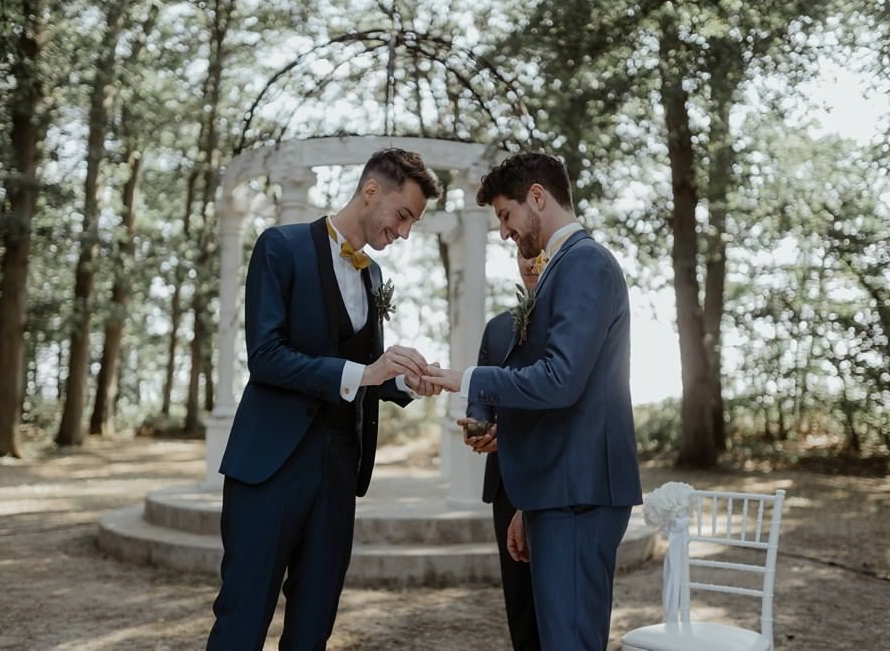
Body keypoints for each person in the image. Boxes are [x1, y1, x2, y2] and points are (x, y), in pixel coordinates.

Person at [207, 148, 443, 650]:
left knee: (313, 627)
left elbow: (365, 374)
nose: (404, 233)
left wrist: (406, 382)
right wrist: (366, 371)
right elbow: (266, 356)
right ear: (370, 190)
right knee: (242, 620)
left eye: (413, 224)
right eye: (403, 216)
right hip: (271, 465)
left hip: (339, 471)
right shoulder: (281, 246)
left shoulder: (372, 275)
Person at [424, 152, 642, 649]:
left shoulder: (584, 262)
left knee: (570, 641)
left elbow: (561, 379)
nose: (504, 231)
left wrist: (466, 379)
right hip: (560, 489)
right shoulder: (565, 266)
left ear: (538, 197)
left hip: (579, 492)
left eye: (506, 214)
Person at [459, 249, 542, 651]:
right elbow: (479, 396)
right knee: (520, 603)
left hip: (554, 474)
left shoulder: (572, 322)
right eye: (524, 255)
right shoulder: (495, 328)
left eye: (539, 253)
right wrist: (478, 429)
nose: (531, 262)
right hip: (506, 484)